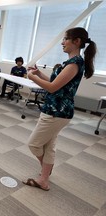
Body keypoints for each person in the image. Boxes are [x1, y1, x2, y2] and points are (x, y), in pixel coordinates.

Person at [23, 27, 97, 191]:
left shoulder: (74, 63)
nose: (62, 43)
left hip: (56, 111)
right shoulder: (73, 63)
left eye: (65, 39)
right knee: (49, 146)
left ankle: (45, 172)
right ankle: (44, 178)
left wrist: (32, 77)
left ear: (76, 41)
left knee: (34, 144)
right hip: (57, 110)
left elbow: (52, 88)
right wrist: (39, 74)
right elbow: (57, 82)